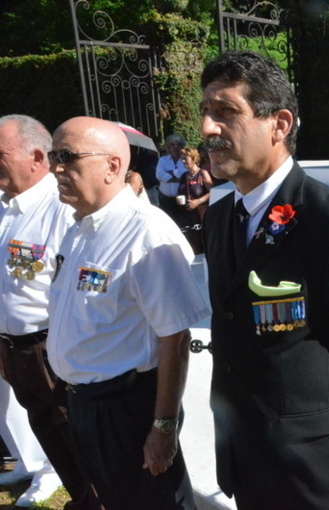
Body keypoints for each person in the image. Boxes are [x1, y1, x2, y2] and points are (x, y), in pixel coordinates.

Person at [200, 50, 329, 509]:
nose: (208, 127)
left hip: (313, 465)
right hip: (245, 453)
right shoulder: (219, 217)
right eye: (206, 111)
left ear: (279, 124)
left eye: (226, 111)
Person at [47, 116, 211, 510]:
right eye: (53, 156)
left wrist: (163, 426)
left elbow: (175, 338)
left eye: (67, 157)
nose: (55, 168)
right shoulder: (79, 228)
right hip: (85, 403)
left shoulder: (145, 232)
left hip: (127, 409)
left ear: (112, 166)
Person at [0, 114, 101, 509]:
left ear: (36, 157)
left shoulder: (60, 207)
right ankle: (84, 500)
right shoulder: (8, 208)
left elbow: (80, 285)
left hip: (51, 349)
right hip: (16, 349)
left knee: (77, 440)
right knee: (51, 437)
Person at [177, 146, 213, 254]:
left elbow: (213, 192)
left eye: (185, 158)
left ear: (193, 159)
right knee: (192, 245)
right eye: (182, 159)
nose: (183, 161)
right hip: (187, 215)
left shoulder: (202, 173)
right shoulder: (184, 176)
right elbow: (180, 192)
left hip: (201, 215)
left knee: (205, 243)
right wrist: (178, 199)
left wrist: (199, 201)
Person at [155, 133, 189, 223]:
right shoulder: (163, 160)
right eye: (172, 145)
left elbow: (185, 174)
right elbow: (159, 175)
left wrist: (170, 173)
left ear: (182, 147)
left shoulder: (185, 160)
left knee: (183, 223)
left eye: (178, 145)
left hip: (182, 199)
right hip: (165, 199)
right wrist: (178, 178)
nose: (175, 147)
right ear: (169, 147)